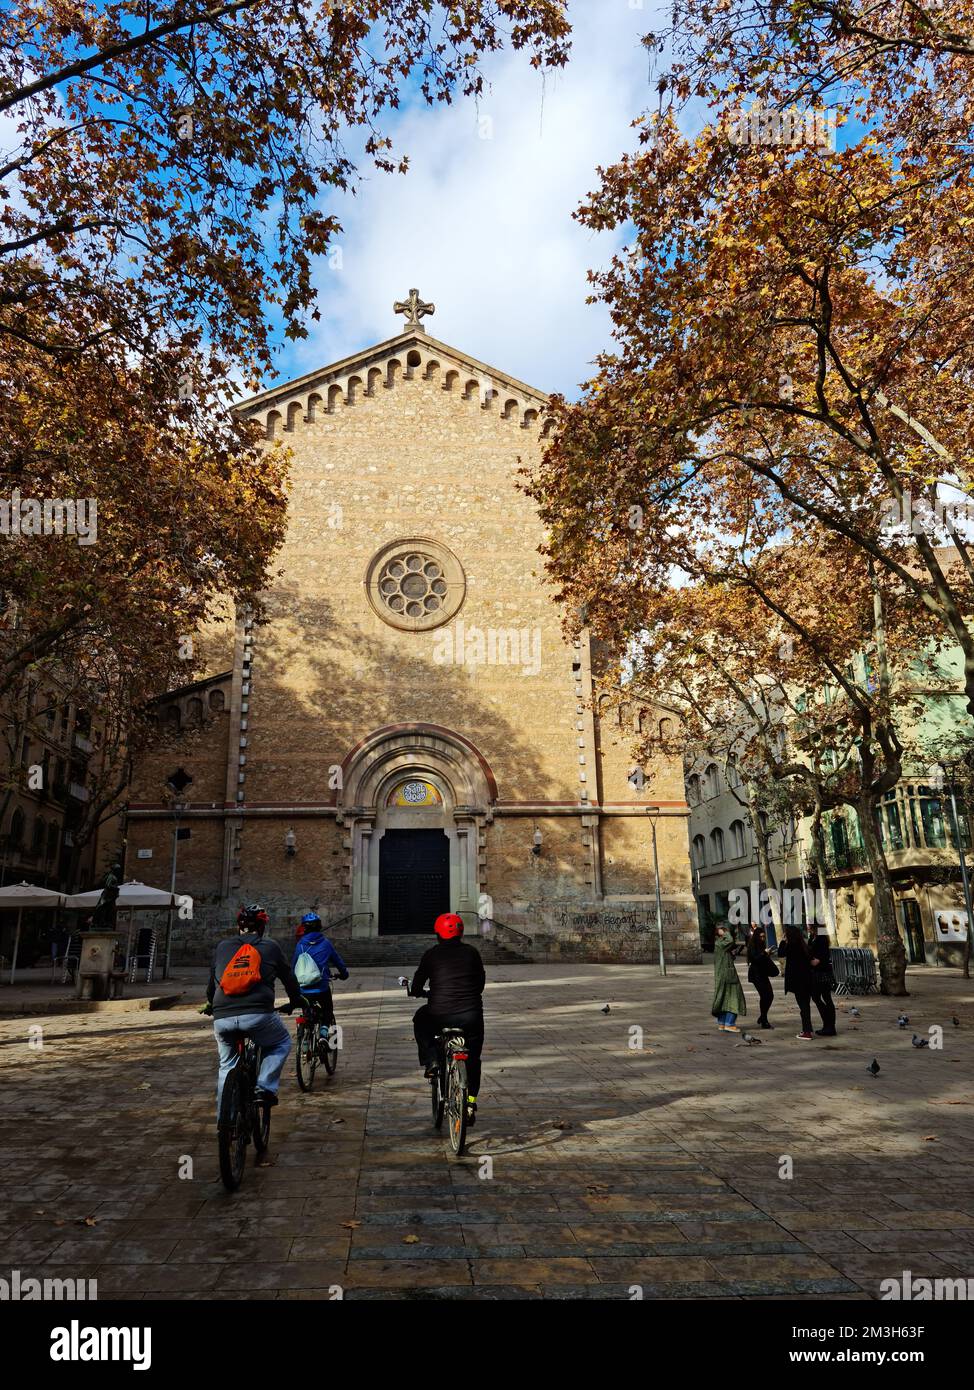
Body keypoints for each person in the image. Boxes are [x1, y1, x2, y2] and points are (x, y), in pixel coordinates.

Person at [205, 903, 303, 1116]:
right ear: (262, 927)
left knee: (226, 1066)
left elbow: (212, 985)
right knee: (280, 1042)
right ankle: (265, 1087)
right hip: (258, 1015)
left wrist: (212, 1006)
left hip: (222, 1017)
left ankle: (226, 1123)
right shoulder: (271, 947)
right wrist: (296, 1001)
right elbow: (289, 979)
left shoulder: (222, 947)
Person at [409, 913, 485, 1126]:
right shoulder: (472, 953)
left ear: (438, 934)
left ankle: (432, 1059)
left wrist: (419, 992)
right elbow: (480, 983)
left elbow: (417, 985)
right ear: (460, 932)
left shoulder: (431, 955)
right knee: (474, 1059)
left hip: (439, 1014)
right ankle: (470, 1103)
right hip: (471, 1016)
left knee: (420, 1019)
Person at [291, 912, 349, 1037]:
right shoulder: (326, 943)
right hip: (321, 987)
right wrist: (344, 974)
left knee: (306, 1009)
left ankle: (305, 1035)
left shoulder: (300, 944)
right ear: (319, 927)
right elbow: (338, 961)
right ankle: (323, 1032)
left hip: (303, 989)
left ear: (304, 928)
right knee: (328, 1010)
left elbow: (293, 966)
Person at [778, 922, 815, 1039]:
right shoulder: (803, 946)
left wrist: (783, 940)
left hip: (798, 981)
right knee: (805, 1005)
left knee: (803, 1006)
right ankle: (807, 1029)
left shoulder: (791, 946)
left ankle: (807, 1031)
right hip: (807, 980)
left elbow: (780, 953)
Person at [711, 924, 746, 1033]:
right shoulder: (721, 942)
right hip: (727, 975)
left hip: (722, 975)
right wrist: (724, 932)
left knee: (722, 998)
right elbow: (730, 940)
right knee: (734, 998)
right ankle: (729, 1024)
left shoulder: (719, 943)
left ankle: (722, 1023)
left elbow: (731, 946)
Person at [746, 924, 779, 1029]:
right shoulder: (752, 946)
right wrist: (764, 953)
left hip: (762, 973)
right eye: (760, 936)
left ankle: (763, 1016)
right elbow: (755, 959)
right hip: (756, 974)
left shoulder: (761, 945)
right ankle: (764, 1020)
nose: (762, 938)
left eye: (763, 936)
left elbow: (762, 958)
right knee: (765, 996)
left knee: (769, 996)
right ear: (756, 937)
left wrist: (767, 953)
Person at [808, 926, 837, 1036]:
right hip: (816, 972)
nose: (808, 927)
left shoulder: (822, 938)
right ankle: (828, 1024)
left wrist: (811, 960)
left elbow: (820, 957)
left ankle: (830, 1025)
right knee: (819, 997)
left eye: (810, 925)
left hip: (822, 972)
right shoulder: (813, 937)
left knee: (824, 997)